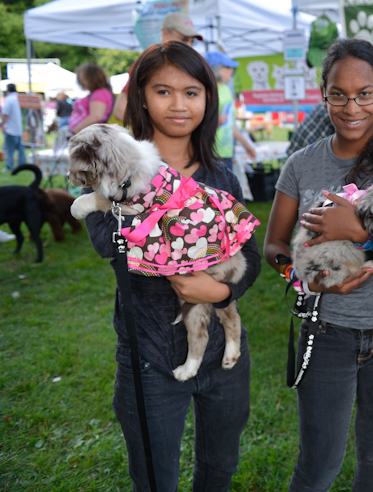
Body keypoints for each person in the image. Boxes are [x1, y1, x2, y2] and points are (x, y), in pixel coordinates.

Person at [84, 41, 261, 490]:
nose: (179, 104)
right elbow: (108, 243)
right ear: (140, 97)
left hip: (222, 355)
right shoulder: (114, 174)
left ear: (207, 98)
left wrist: (221, 293)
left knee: (219, 469)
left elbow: (251, 257)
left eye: (192, 92)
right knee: (155, 476)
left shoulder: (221, 177)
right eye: (163, 91)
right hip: (149, 359)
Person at [263, 38, 373, 492]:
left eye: (365, 94)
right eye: (338, 94)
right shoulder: (302, 164)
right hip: (327, 333)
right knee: (320, 462)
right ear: (324, 94)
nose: (351, 106)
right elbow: (274, 245)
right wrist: (303, 282)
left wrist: (360, 231)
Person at [112, 12, 203, 123]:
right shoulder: (148, 63)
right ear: (165, 35)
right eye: (184, 39)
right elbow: (121, 110)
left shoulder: (194, 65)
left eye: (192, 41)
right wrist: (158, 132)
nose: (189, 46)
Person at [203, 51, 257, 170]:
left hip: (226, 152)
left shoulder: (226, 88)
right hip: (211, 154)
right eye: (227, 67)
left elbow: (230, 125)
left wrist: (247, 145)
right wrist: (214, 123)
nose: (232, 70)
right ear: (216, 69)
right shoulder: (206, 91)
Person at [68, 63, 114, 134]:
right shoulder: (98, 92)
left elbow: (96, 117)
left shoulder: (100, 93)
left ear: (92, 78)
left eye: (83, 78)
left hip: (88, 134)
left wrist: (75, 131)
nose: (81, 82)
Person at [2, 83, 25, 171]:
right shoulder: (20, 98)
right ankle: (22, 166)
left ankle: (9, 166)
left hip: (10, 128)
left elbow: (5, 114)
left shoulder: (9, 99)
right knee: (20, 149)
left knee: (9, 149)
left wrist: (2, 124)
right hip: (20, 128)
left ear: (7, 90)